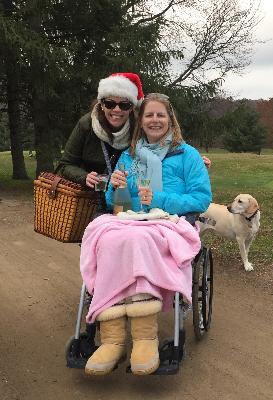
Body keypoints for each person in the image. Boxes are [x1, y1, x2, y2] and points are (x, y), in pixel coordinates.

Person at [80, 93, 212, 376]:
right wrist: (114, 188)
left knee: (138, 240)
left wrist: (160, 198)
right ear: (140, 120)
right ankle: (112, 339)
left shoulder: (186, 155)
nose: (154, 120)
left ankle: (144, 339)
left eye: (160, 115)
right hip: (131, 220)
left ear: (170, 120)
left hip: (171, 221)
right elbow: (114, 205)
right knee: (107, 238)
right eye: (148, 115)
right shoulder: (128, 156)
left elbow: (201, 198)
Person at [57, 72, 211, 197]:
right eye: (110, 103)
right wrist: (85, 177)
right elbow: (65, 165)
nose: (117, 110)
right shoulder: (87, 125)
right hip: (91, 192)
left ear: (131, 107)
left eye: (124, 104)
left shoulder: (140, 126)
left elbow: (161, 145)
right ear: (102, 104)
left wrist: (194, 164)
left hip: (125, 193)